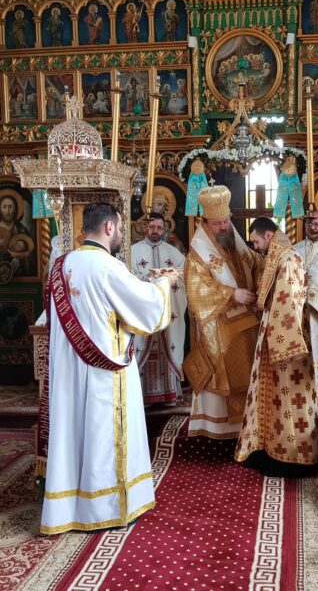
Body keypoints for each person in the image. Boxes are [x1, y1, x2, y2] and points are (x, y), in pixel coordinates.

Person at [41, 202, 177, 534]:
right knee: (101, 435)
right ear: (109, 227)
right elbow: (146, 309)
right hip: (104, 373)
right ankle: (103, 509)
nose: (120, 234)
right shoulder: (107, 267)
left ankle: (67, 507)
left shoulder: (61, 265)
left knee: (72, 434)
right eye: (119, 227)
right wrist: (165, 283)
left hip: (68, 371)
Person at [235, 217, 318, 469]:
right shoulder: (279, 258)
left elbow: (289, 303)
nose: (255, 246)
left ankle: (292, 458)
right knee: (274, 396)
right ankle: (269, 446)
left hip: (286, 343)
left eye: (256, 241)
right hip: (274, 336)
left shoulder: (288, 259)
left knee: (289, 396)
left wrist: (284, 347)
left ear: (269, 236)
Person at [184, 186, 264, 439]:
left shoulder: (233, 239)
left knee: (247, 367)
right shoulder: (198, 250)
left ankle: (245, 426)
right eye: (217, 223)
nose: (223, 227)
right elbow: (197, 288)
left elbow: (254, 262)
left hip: (245, 321)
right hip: (217, 325)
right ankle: (215, 426)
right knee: (222, 372)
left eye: (225, 221)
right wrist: (232, 294)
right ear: (205, 221)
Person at [131, 212, 186, 407]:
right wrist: (150, 279)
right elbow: (128, 279)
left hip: (168, 310)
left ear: (164, 229)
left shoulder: (173, 253)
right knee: (142, 346)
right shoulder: (133, 251)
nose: (155, 231)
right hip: (144, 312)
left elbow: (183, 277)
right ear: (145, 227)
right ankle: (143, 397)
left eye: (159, 228)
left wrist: (167, 279)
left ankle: (170, 395)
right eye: (152, 227)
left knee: (168, 345)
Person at [293, 211, 318, 399]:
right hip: (298, 312)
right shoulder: (295, 249)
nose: (312, 227)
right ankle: (302, 395)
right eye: (309, 223)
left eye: (317, 223)